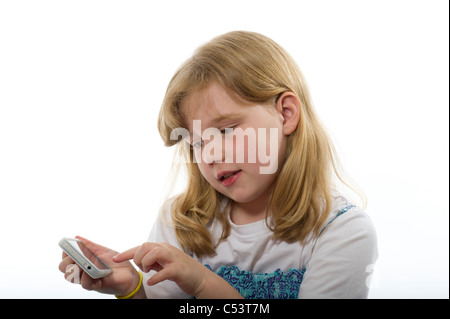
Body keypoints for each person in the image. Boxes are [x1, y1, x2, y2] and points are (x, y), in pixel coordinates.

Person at [59, 31, 377, 299]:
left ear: (286, 114)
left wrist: (201, 282)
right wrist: (133, 287)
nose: (209, 155)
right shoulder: (182, 222)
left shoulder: (341, 232)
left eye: (225, 130)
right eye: (197, 142)